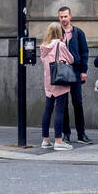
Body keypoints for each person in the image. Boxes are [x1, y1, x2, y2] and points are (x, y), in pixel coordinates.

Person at [57, 5, 91, 144]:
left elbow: (84, 52)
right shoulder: (56, 32)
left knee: (78, 102)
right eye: (61, 17)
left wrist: (84, 71)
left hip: (76, 71)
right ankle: (66, 133)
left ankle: (81, 133)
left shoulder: (78, 33)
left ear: (70, 16)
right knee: (63, 103)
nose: (64, 19)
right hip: (62, 71)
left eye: (66, 16)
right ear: (58, 18)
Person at [39, 21, 75, 151]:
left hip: (48, 81)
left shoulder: (43, 46)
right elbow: (71, 59)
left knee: (48, 110)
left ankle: (45, 139)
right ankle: (59, 140)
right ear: (60, 32)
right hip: (60, 81)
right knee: (59, 110)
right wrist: (64, 43)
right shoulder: (60, 44)